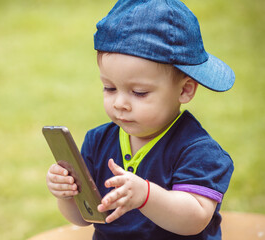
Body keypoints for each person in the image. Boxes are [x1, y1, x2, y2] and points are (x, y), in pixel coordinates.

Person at [46, 0, 235, 239]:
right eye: (109, 88)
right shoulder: (97, 141)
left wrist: (146, 196)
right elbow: (87, 216)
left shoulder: (198, 150)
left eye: (139, 93)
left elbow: (195, 219)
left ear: (185, 90)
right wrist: (67, 195)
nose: (119, 103)